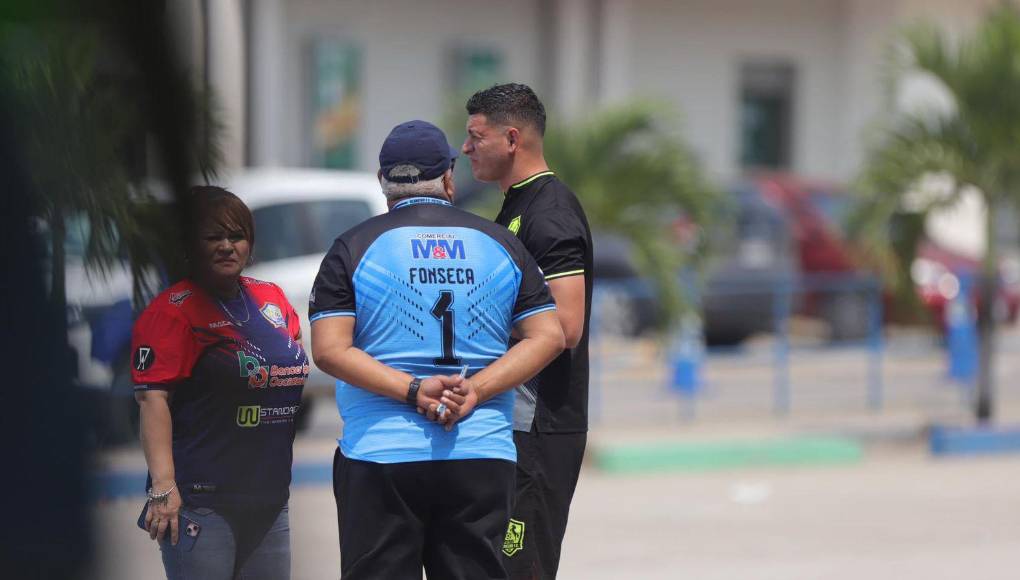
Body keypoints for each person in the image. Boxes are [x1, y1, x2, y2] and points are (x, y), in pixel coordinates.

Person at [309, 120, 565, 580]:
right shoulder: (501, 243)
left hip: (381, 453)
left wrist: (414, 391)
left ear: (382, 181)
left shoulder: (353, 246)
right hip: (479, 451)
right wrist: (476, 391)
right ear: (449, 178)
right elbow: (549, 335)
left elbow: (329, 351)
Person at [131, 186, 308, 580]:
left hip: (270, 498)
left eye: (237, 236)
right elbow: (152, 399)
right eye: (213, 237)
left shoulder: (272, 298)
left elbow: (292, 357)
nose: (227, 246)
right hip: (201, 502)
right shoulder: (172, 312)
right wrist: (163, 489)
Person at [463, 83, 594, 579]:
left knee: (522, 569)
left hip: (541, 427)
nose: (466, 148)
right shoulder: (518, 206)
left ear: (512, 139)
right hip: (514, 424)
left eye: (476, 136)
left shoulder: (550, 212)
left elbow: (566, 326)